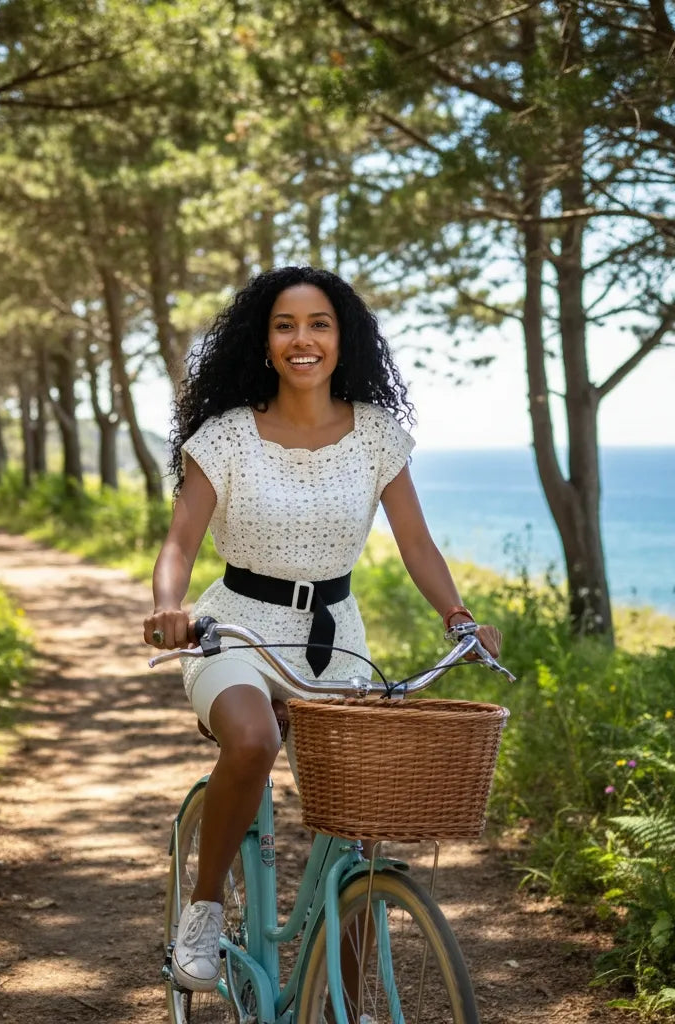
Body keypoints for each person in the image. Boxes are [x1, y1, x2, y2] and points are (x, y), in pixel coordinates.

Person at [144, 265, 502, 994]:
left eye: (318, 324)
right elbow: (179, 543)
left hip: (335, 634)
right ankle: (204, 912)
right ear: (265, 342)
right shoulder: (227, 437)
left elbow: (416, 544)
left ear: (343, 339)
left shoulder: (375, 434)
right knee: (253, 740)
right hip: (234, 629)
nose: (302, 339)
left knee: (365, 828)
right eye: (285, 326)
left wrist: (458, 616)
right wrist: (169, 608)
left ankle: (346, 1000)